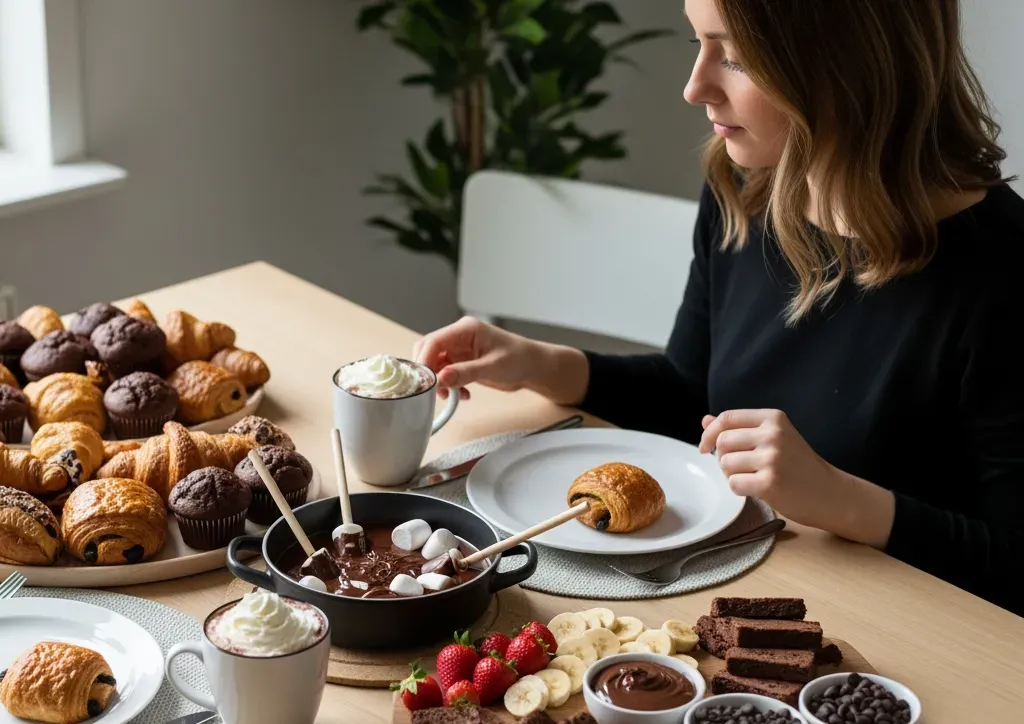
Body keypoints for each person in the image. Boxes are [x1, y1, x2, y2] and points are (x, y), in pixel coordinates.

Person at [413, 0, 1024, 610]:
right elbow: (692, 399)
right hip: (764, 596)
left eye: (733, 56)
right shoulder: (743, 191)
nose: (693, 86)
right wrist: (546, 367)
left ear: (848, 64)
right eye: (696, 44)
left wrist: (843, 501)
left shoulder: (1002, 268)